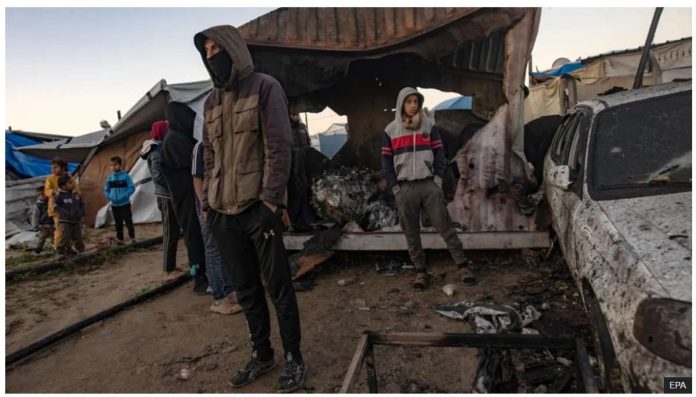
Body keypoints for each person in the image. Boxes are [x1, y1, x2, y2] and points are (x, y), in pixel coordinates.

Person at [194, 25, 306, 392]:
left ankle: (294, 358)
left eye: (216, 48)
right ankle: (263, 354)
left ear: (233, 49)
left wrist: (271, 201)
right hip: (223, 214)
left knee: (278, 287)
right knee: (246, 290)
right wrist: (209, 202)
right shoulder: (210, 102)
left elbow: (279, 146)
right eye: (206, 51)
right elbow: (209, 155)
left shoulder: (265, 87)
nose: (212, 56)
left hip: (258, 210)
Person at [381, 87, 477, 290]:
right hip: (405, 189)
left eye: (416, 101)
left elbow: (440, 155)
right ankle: (420, 272)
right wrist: (395, 188)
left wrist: (438, 181)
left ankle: (462, 266)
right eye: (409, 102)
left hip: (428, 186)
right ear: (401, 104)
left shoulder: (429, 126)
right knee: (411, 233)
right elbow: (386, 162)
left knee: (445, 227)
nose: (413, 105)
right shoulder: (391, 130)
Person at [160, 101, 209, 294]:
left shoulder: (180, 138)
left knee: (199, 236)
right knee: (194, 237)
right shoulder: (174, 141)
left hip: (190, 197)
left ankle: (204, 274)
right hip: (186, 199)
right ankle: (199, 278)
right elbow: (197, 165)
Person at [192, 140, 243, 315]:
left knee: (226, 249)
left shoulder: (225, 140)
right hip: (208, 207)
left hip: (224, 205)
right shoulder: (201, 146)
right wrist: (204, 206)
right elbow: (197, 178)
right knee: (213, 251)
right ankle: (219, 298)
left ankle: (230, 291)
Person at [141, 120, 185, 279]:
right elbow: (158, 176)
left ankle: (171, 266)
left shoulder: (158, 148)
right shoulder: (156, 151)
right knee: (169, 232)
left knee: (174, 231)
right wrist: (174, 186)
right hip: (166, 196)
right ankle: (168, 269)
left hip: (167, 195)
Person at [287, 113, 314, 232]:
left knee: (305, 193)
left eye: (296, 114)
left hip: (303, 165)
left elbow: (308, 143)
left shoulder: (303, 127)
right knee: (295, 194)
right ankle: (296, 222)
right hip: (292, 167)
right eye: (293, 115)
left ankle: (307, 221)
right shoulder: (286, 128)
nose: (295, 117)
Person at [45, 158, 80, 249]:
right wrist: (54, 192)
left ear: (63, 167)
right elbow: (47, 191)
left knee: (69, 230)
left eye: (55, 167)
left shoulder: (69, 178)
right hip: (56, 209)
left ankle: (67, 248)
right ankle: (59, 249)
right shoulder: (50, 178)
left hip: (69, 209)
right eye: (52, 168)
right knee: (60, 230)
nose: (53, 170)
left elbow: (76, 190)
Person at [104, 156, 136, 244]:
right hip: (114, 205)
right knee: (118, 222)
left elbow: (132, 188)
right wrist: (109, 197)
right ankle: (120, 239)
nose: (113, 167)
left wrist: (125, 196)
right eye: (111, 165)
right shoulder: (110, 178)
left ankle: (132, 238)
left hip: (125, 204)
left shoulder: (126, 177)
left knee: (128, 221)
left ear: (120, 165)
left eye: (115, 165)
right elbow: (106, 190)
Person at [53, 175, 85, 255]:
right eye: (70, 183)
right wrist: (66, 213)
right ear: (63, 186)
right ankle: (60, 253)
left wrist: (81, 212)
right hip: (65, 221)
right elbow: (56, 207)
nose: (72, 184)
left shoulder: (76, 194)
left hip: (76, 220)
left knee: (78, 237)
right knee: (64, 237)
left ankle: (80, 251)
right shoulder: (59, 195)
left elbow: (81, 204)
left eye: (72, 182)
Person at [31, 186, 55, 254]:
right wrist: (35, 226)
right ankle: (38, 249)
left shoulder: (51, 202)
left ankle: (56, 249)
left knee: (54, 238)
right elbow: (35, 216)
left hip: (53, 225)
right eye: (39, 195)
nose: (41, 196)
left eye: (43, 194)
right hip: (44, 225)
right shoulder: (38, 205)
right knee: (42, 237)